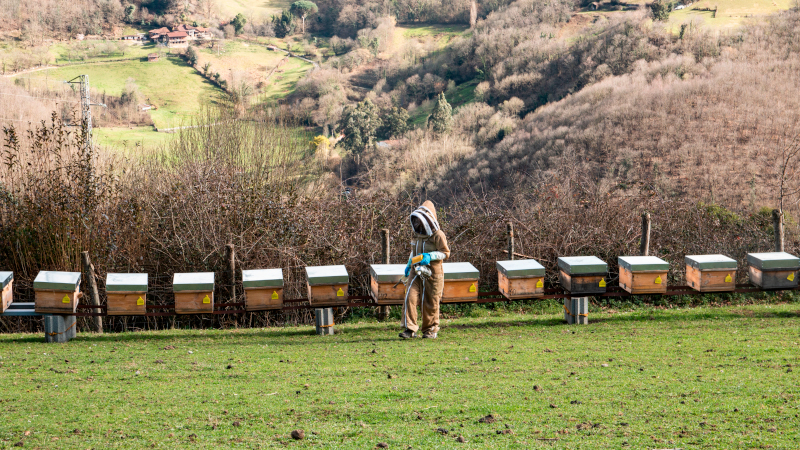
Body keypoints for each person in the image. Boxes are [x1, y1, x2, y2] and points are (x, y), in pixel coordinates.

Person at [399, 200, 450, 339]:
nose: (417, 225)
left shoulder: (438, 234)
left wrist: (431, 255)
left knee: (430, 301)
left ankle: (430, 330)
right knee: (410, 296)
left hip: (433, 271)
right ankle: (409, 329)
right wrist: (409, 263)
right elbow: (414, 251)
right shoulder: (416, 234)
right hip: (416, 269)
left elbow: (445, 253)